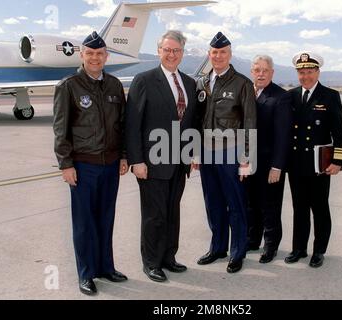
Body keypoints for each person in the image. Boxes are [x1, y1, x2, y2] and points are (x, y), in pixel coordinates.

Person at [53, 31, 129, 295]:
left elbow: (121, 125)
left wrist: (123, 155)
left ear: (106, 56)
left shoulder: (114, 85)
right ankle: (86, 274)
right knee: (84, 222)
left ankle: (106, 267)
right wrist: (66, 164)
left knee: (106, 218)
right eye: (90, 53)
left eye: (100, 54)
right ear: (82, 55)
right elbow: (61, 129)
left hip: (110, 165)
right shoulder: (69, 85)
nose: (95, 58)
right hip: (83, 166)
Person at [125, 30, 197, 282]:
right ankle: (151, 262)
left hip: (179, 162)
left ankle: (169, 257)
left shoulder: (189, 83)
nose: (171, 54)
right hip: (152, 162)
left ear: (182, 53)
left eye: (176, 50)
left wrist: (192, 153)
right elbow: (132, 123)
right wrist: (137, 160)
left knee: (172, 212)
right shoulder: (144, 80)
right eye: (167, 49)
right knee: (154, 215)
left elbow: (191, 124)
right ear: (159, 51)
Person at [196, 32, 256, 273]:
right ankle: (217, 247)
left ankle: (237, 252)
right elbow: (195, 120)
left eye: (222, 52)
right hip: (206, 153)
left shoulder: (241, 83)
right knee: (213, 204)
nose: (218, 56)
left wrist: (246, 159)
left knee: (236, 205)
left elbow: (250, 123)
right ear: (209, 55)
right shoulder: (200, 82)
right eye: (214, 52)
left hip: (231, 153)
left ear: (229, 55)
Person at [284, 52, 342, 268]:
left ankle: (319, 250)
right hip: (296, 164)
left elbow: (339, 133)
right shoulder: (290, 96)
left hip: (319, 165)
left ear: (317, 72)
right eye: (301, 72)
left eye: (309, 72)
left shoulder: (330, 96)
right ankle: (299, 248)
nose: (305, 76)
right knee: (299, 207)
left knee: (319, 208)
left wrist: (338, 162)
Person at [245, 55, 292, 263]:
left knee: (269, 206)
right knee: (251, 204)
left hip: (269, 164)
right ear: (252, 72)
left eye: (265, 70)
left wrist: (277, 166)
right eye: (257, 70)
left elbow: (283, 135)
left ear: (272, 73)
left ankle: (271, 246)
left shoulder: (280, 97)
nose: (261, 74)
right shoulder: (247, 93)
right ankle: (252, 240)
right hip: (248, 162)